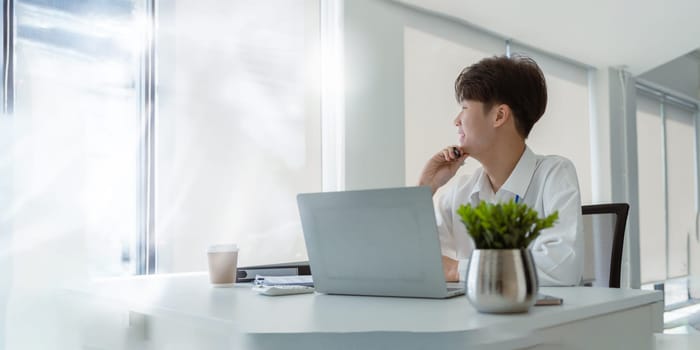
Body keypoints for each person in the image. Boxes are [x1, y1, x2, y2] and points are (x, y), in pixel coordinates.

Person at [418, 55, 583, 286]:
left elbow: (562, 268)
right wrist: (426, 187)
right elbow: (412, 260)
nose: (457, 120)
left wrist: (458, 270)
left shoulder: (554, 174)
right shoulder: (462, 191)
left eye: (464, 108)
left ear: (499, 116)